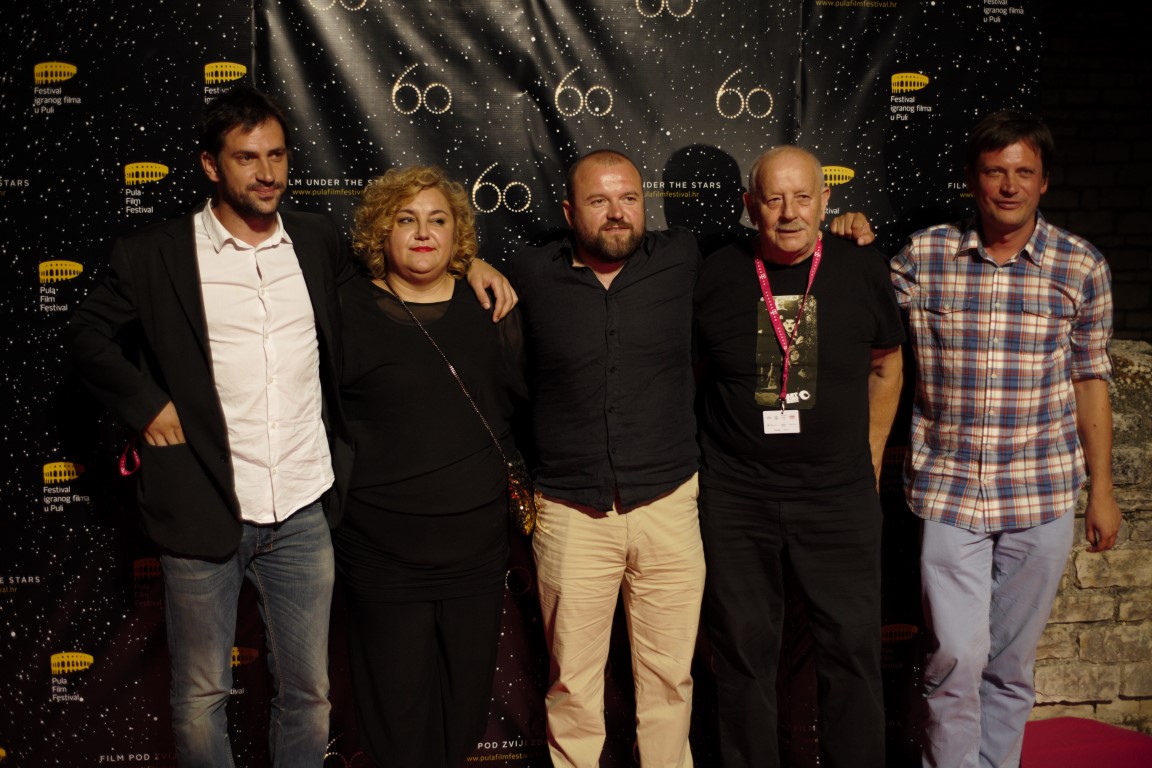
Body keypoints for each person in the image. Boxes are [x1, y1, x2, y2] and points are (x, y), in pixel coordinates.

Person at [64, 86, 515, 767]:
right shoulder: (155, 254)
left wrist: (468, 261)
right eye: (247, 158)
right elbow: (87, 335)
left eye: (276, 155)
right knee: (202, 693)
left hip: (304, 510)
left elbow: (405, 264)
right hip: (204, 505)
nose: (266, 172)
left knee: (309, 694)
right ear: (211, 165)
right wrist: (146, 406)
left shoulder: (315, 239)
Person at [890, 110, 1120, 767]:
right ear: (973, 179)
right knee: (955, 656)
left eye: (1024, 172)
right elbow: (865, 324)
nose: (1010, 185)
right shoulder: (924, 256)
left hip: (1041, 493)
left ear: (1044, 181)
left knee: (1011, 663)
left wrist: (1102, 492)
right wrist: (849, 235)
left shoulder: (1080, 266)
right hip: (948, 489)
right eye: (995, 172)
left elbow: (1091, 380)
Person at [693, 145, 904, 768]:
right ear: (749, 205)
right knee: (742, 654)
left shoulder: (861, 267)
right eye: (774, 199)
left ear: (825, 201)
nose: (789, 213)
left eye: (803, 197)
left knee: (852, 653)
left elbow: (886, 366)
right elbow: (696, 373)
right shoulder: (714, 273)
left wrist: (869, 458)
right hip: (738, 497)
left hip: (838, 495)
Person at [506, 149, 706, 767]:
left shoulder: (684, 257)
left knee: (670, 681)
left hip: (668, 503)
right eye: (600, 201)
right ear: (570, 212)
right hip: (571, 510)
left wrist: (846, 226)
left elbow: (781, 243)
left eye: (629, 199)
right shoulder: (530, 272)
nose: (617, 213)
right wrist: (475, 265)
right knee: (573, 684)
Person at [333, 165, 524, 768]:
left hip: (476, 548)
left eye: (438, 220)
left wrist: (477, 268)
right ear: (380, 232)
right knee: (394, 711)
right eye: (406, 219)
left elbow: (520, 407)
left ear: (457, 235)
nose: (423, 233)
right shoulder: (343, 309)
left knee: (464, 705)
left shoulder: (491, 306)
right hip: (381, 550)